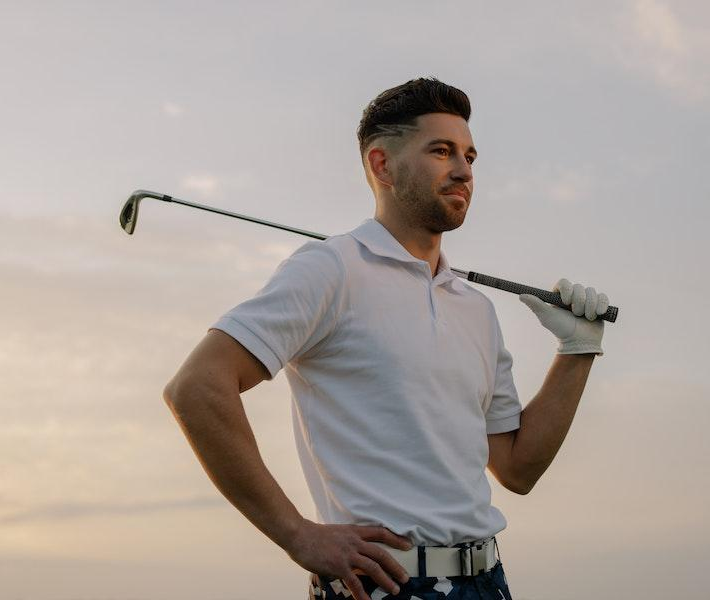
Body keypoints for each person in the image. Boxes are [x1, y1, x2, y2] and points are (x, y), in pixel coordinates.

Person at [162, 77, 610, 600]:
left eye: (470, 155)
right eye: (441, 151)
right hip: (384, 583)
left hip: (487, 581)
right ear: (382, 165)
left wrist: (577, 351)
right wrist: (297, 535)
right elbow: (195, 388)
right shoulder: (331, 269)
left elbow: (517, 468)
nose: (463, 170)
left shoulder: (477, 310)